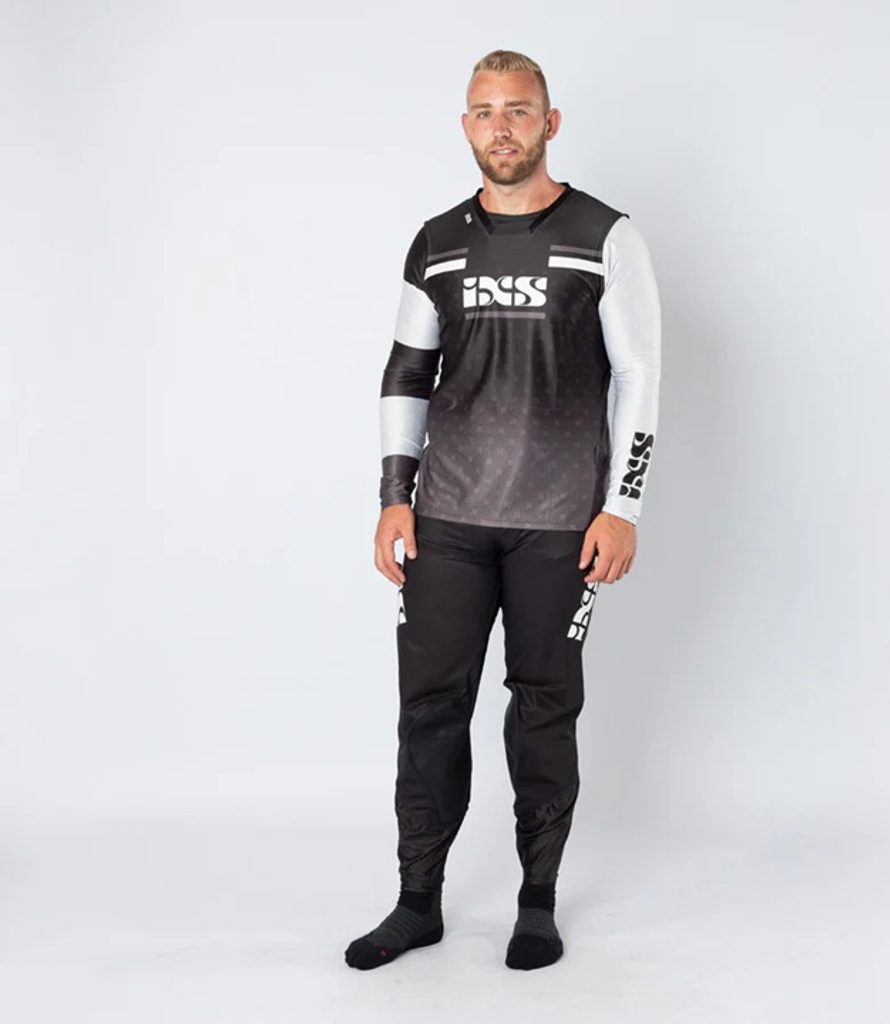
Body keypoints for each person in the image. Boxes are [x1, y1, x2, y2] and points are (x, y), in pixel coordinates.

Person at [345, 48, 661, 972]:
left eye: (519, 110)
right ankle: (417, 902)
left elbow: (640, 375)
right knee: (429, 710)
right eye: (484, 112)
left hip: (560, 522)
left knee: (543, 712)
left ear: (550, 122)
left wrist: (623, 506)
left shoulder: (606, 235)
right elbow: (407, 373)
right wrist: (393, 498)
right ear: (465, 126)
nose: (502, 127)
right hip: (447, 518)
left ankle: (536, 901)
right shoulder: (436, 241)